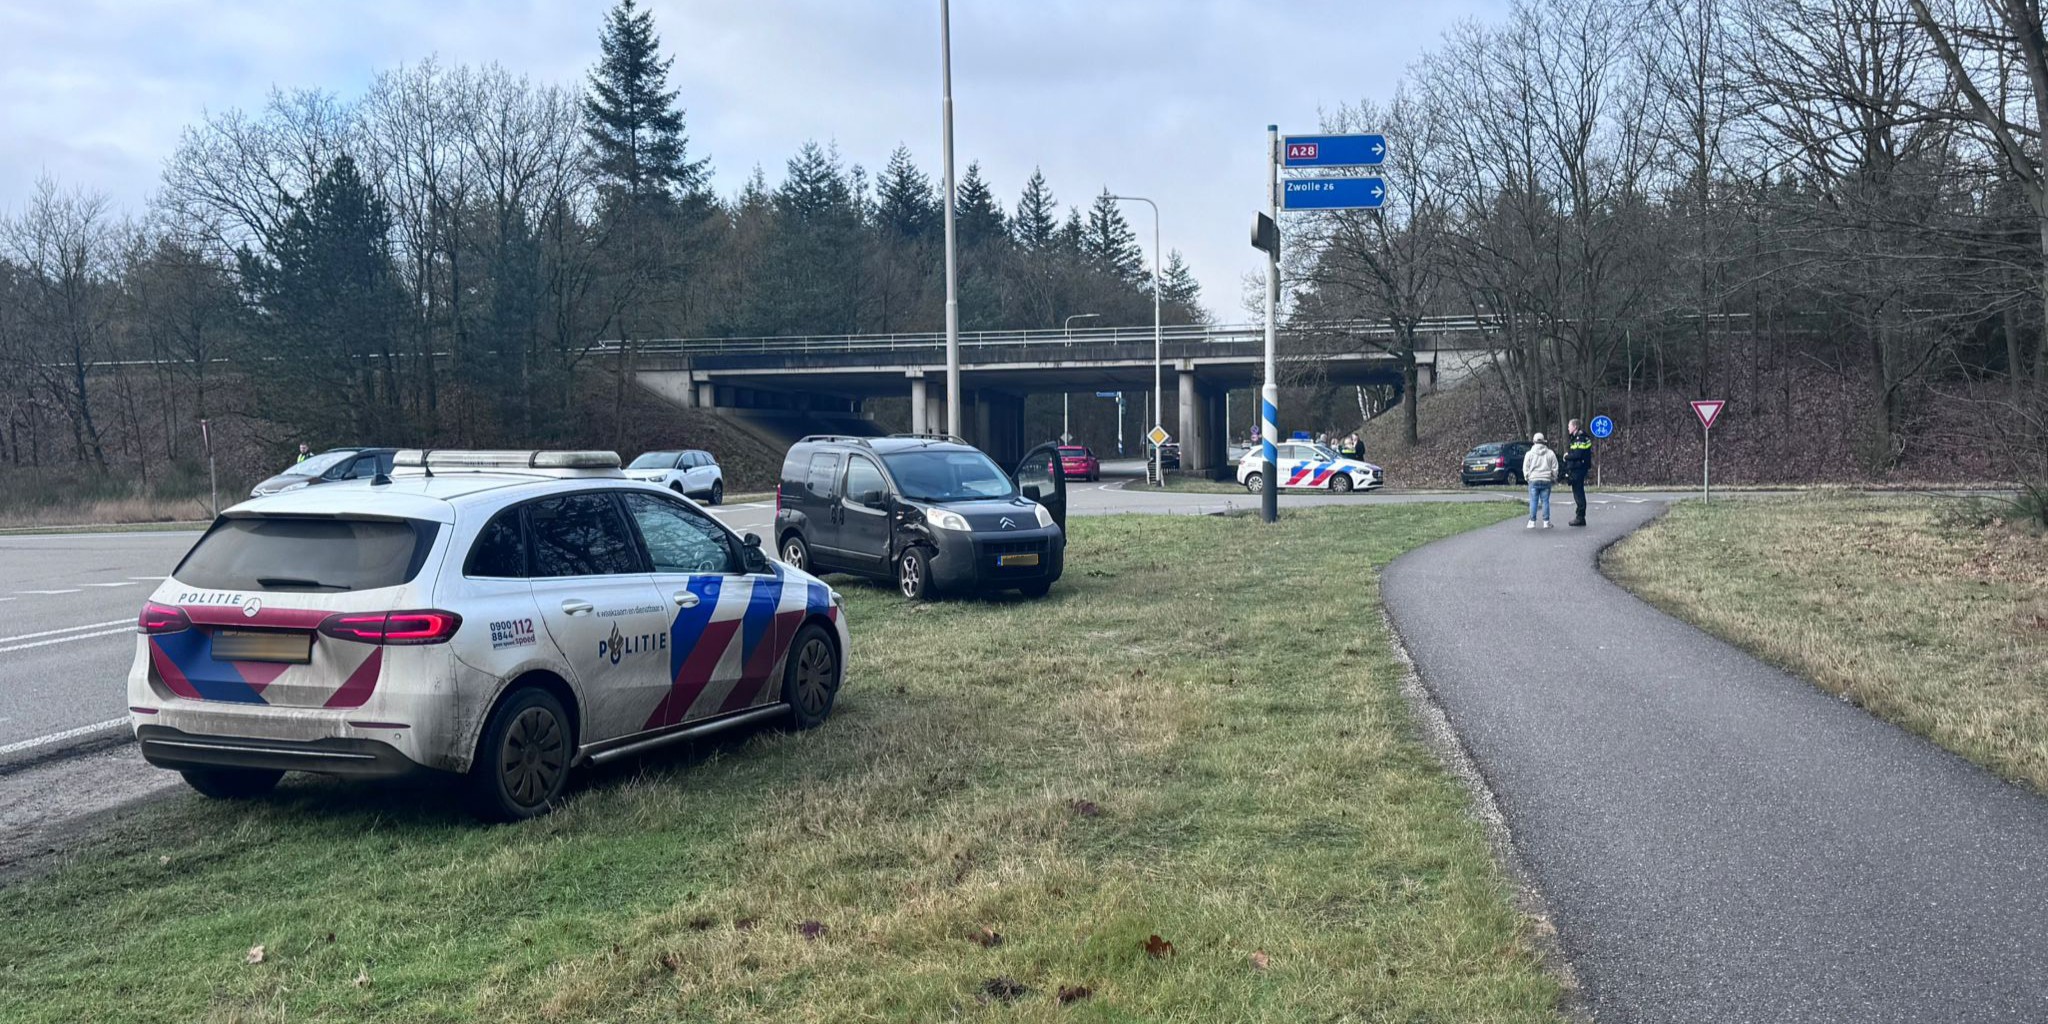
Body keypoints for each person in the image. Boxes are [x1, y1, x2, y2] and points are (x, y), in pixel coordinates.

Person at [1522, 432, 1558, 529]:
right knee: (1545, 501)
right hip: (1546, 480)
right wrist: (1553, 477)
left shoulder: (1529, 454)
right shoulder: (1550, 453)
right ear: (1544, 442)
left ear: (1534, 442)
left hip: (1533, 479)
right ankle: (1546, 522)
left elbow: (1525, 467)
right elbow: (1555, 467)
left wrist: (1527, 477)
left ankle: (1532, 522)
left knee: (1533, 501)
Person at [1562, 418, 1594, 527]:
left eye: (1569, 426)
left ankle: (1580, 517)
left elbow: (1578, 455)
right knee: (1578, 492)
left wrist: (1567, 457)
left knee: (1578, 493)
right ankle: (1580, 516)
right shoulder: (1579, 437)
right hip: (1579, 468)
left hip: (1579, 468)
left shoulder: (1580, 438)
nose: (1568, 428)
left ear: (1575, 427)